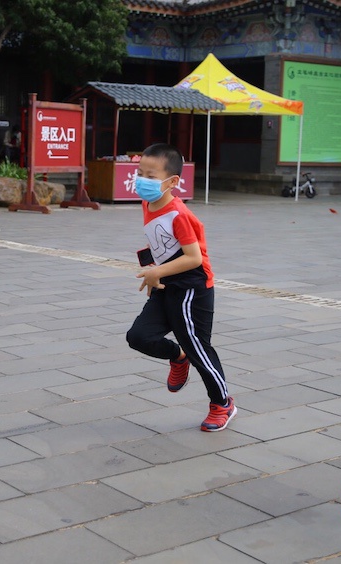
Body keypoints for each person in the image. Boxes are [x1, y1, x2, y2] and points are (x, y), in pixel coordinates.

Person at [125, 143, 235, 432]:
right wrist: (154, 269)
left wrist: (157, 271)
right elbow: (159, 240)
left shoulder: (179, 214)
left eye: (150, 176)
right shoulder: (148, 204)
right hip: (166, 282)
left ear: (172, 181)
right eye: (139, 173)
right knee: (139, 336)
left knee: (198, 348)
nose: (142, 180)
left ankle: (222, 403)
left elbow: (193, 258)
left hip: (192, 288)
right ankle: (177, 357)